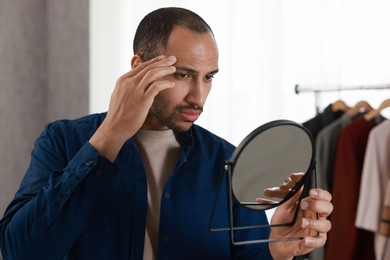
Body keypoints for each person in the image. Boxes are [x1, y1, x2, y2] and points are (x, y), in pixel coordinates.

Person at [0, 7, 332, 260]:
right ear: (139, 68)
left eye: (208, 78)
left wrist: (276, 250)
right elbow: (19, 251)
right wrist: (110, 135)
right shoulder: (63, 142)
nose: (198, 98)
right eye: (185, 75)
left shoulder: (227, 160)